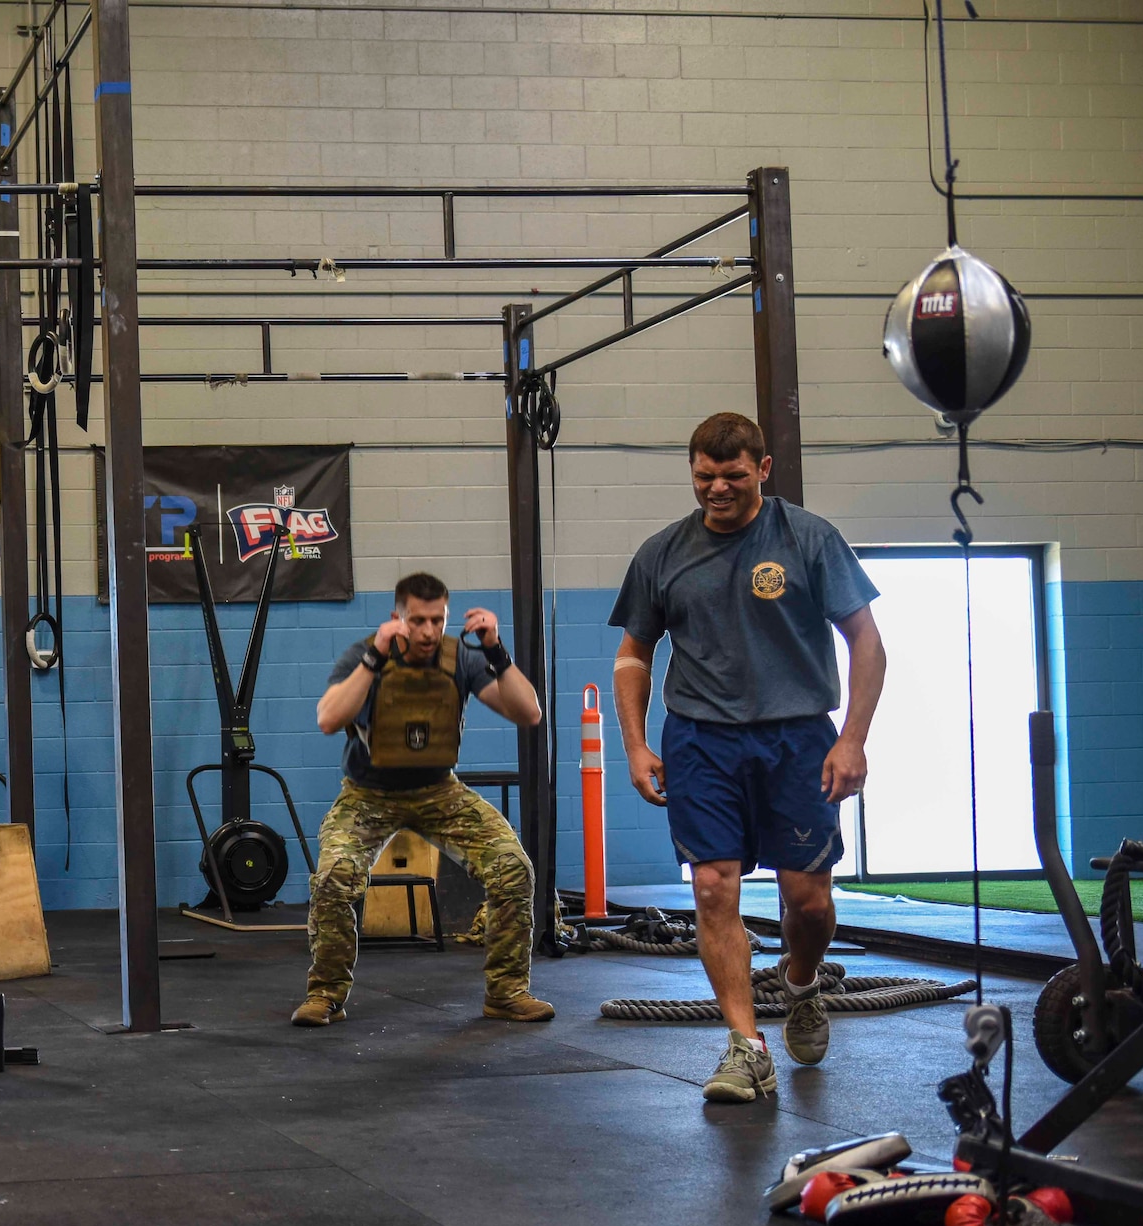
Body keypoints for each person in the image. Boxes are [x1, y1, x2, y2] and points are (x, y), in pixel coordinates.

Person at [610, 411, 886, 1103]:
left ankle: (799, 981)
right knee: (712, 889)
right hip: (701, 740)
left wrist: (852, 737)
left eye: (732, 476)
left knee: (809, 901)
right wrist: (637, 743)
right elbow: (632, 657)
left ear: (762, 470)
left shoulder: (809, 538)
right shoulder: (662, 553)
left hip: (798, 738)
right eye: (704, 477)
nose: (717, 489)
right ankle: (745, 1045)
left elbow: (867, 642)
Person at [294, 571, 552, 1028]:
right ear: (398, 619)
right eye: (418, 621)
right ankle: (326, 994)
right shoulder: (365, 655)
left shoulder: (462, 660)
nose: (429, 632)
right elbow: (328, 719)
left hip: (439, 791)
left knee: (513, 867)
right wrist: (375, 656)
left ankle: (507, 993)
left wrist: (496, 650)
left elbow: (528, 711)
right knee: (334, 876)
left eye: (438, 620)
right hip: (368, 794)